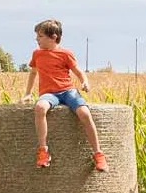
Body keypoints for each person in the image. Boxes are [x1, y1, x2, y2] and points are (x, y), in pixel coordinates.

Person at [21, 18, 104, 171]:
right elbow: (33, 73)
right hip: (49, 93)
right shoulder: (37, 54)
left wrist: (85, 82)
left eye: (40, 36)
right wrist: (27, 93)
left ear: (53, 37)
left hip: (68, 91)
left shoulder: (65, 54)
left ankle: (98, 154)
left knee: (84, 113)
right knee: (40, 108)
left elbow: (78, 72)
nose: (36, 39)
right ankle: (43, 150)